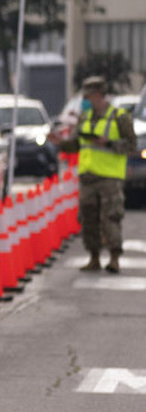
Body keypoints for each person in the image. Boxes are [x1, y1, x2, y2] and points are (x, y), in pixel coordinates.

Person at [51, 75, 137, 273]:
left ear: (98, 95)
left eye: (88, 97)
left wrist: (108, 143)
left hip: (109, 177)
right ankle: (94, 256)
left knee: (111, 217)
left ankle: (114, 258)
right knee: (88, 217)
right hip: (87, 176)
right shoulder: (85, 118)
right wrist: (60, 142)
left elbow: (132, 145)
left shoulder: (120, 117)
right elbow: (76, 145)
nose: (85, 101)